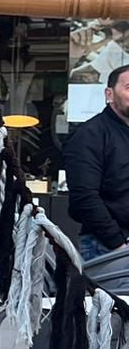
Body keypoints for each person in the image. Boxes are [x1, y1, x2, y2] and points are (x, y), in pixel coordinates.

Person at [64, 63, 129, 261]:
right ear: (109, 94)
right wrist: (117, 244)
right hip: (108, 248)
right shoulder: (90, 135)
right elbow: (84, 197)